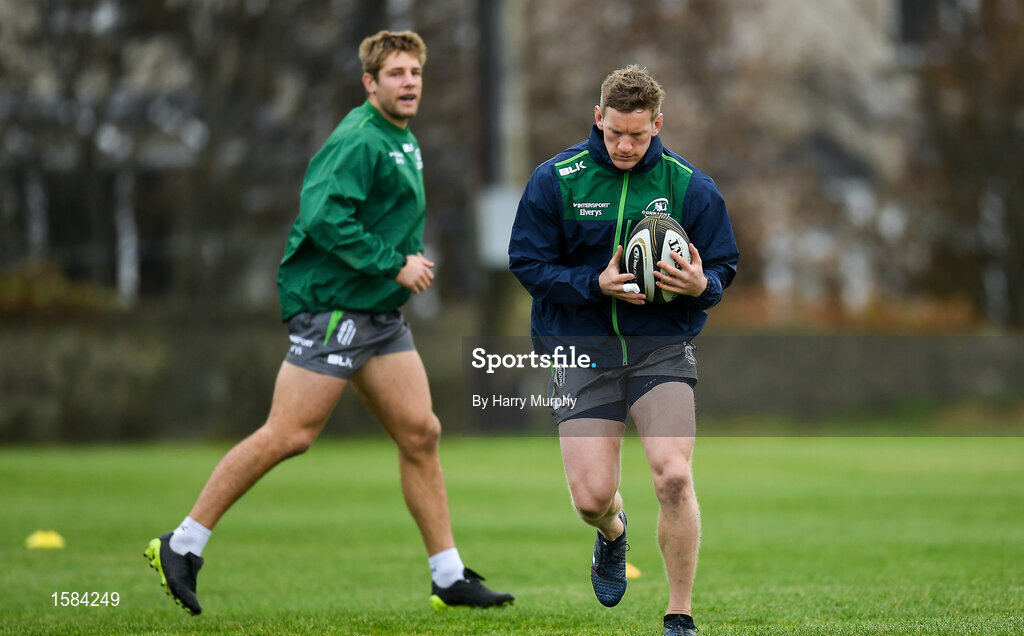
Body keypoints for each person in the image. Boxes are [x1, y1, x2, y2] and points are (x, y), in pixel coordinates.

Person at [144, 30, 513, 616]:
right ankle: (182, 543)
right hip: (336, 308)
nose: (409, 82)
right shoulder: (359, 139)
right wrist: (395, 264)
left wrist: (393, 273)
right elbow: (321, 218)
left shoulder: (402, 139)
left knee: (421, 433)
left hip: (379, 316)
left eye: (415, 71)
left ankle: (448, 576)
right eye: (395, 73)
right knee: (290, 434)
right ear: (370, 83)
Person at [508, 65, 738, 636]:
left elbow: (724, 263)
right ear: (598, 118)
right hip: (580, 347)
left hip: (660, 346)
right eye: (615, 133)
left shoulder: (689, 187)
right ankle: (613, 533)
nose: (626, 145)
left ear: (657, 124)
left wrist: (700, 286)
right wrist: (594, 285)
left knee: (674, 476)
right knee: (591, 498)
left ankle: (679, 613)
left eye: (638, 134)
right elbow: (528, 263)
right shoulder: (556, 179)